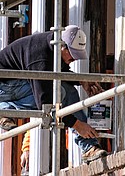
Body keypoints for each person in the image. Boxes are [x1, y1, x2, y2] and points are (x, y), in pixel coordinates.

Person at [0, 25, 108, 164]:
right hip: (5, 86)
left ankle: (89, 147)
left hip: (14, 85)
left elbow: (59, 73)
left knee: (68, 91)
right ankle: (4, 109)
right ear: (62, 47)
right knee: (58, 94)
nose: (74, 60)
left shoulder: (53, 49)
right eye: (73, 55)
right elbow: (46, 104)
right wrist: (77, 125)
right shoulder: (40, 58)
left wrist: (80, 80)